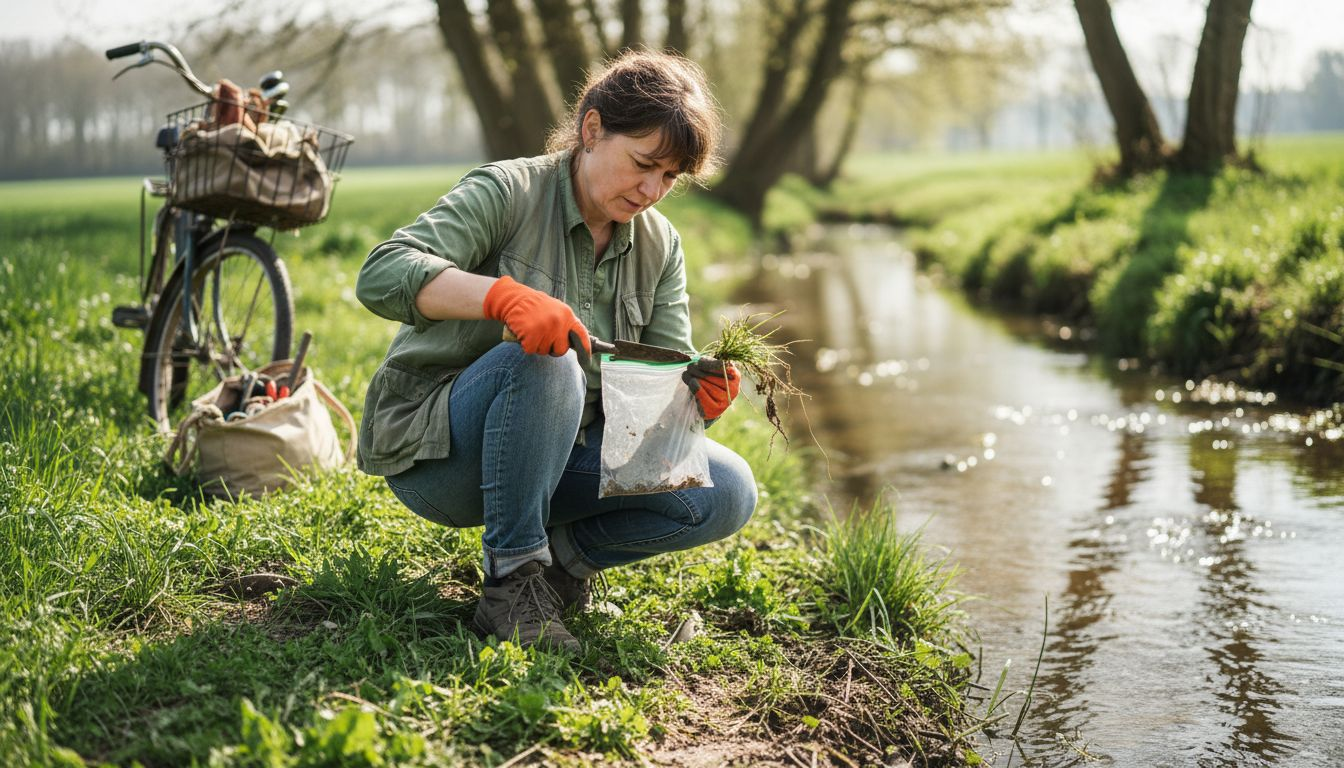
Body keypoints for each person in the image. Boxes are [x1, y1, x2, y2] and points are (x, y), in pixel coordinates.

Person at [354, 50, 757, 653]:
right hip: (441, 461)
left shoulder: (660, 244)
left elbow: (653, 400)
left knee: (727, 490)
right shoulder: (506, 190)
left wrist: (694, 400)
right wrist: (502, 299)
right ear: (592, 129)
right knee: (544, 355)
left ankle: (559, 570)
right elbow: (382, 273)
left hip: (559, 464)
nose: (652, 190)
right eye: (643, 164)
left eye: (670, 178)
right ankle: (510, 581)